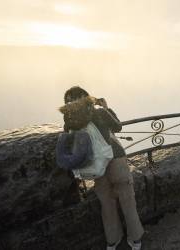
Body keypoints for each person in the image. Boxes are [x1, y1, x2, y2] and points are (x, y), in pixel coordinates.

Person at [63, 86, 144, 250]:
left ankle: (112, 241)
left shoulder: (69, 123)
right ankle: (135, 240)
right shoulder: (99, 112)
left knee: (106, 204)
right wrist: (106, 108)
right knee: (127, 200)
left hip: (96, 166)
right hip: (116, 159)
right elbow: (117, 127)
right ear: (87, 98)